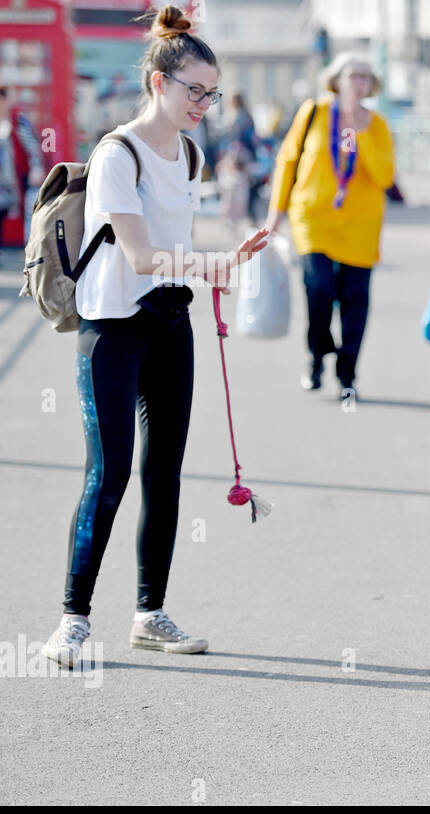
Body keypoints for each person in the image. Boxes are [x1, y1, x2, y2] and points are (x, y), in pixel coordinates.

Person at [41, 5, 269, 668]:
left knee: (163, 473)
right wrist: (212, 265)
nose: (204, 103)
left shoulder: (192, 153)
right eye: (193, 89)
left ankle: (150, 612)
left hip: (171, 323)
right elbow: (139, 255)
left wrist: (223, 258)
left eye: (212, 91)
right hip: (111, 327)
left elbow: (174, 243)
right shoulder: (119, 152)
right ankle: (73, 620)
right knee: (106, 475)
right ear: (157, 84)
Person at [265, 52, 395, 400]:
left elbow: (384, 176)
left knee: (355, 299)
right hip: (313, 217)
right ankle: (317, 353)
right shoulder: (314, 113)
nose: (359, 83)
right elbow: (287, 162)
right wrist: (275, 214)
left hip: (360, 225)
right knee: (318, 288)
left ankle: (347, 370)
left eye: (365, 77)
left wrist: (358, 131)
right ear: (336, 80)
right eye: (353, 75)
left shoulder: (377, 125)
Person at [0, 84, 44, 242]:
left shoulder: (17, 120)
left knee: (28, 214)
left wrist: (36, 167)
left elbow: (32, 146)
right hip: (5, 181)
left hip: (19, 176)